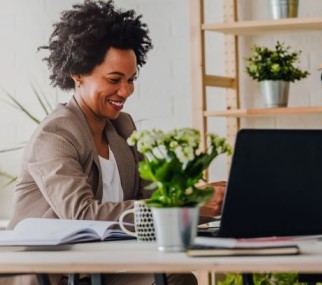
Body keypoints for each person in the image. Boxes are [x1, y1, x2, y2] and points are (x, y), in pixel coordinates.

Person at [4, 1, 225, 284]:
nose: (126, 90)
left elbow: (154, 201)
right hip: (57, 275)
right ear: (78, 74)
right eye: (114, 79)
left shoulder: (122, 128)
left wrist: (205, 200)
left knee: (178, 278)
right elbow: (81, 213)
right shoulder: (56, 135)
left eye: (131, 79)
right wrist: (186, 205)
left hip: (106, 267)